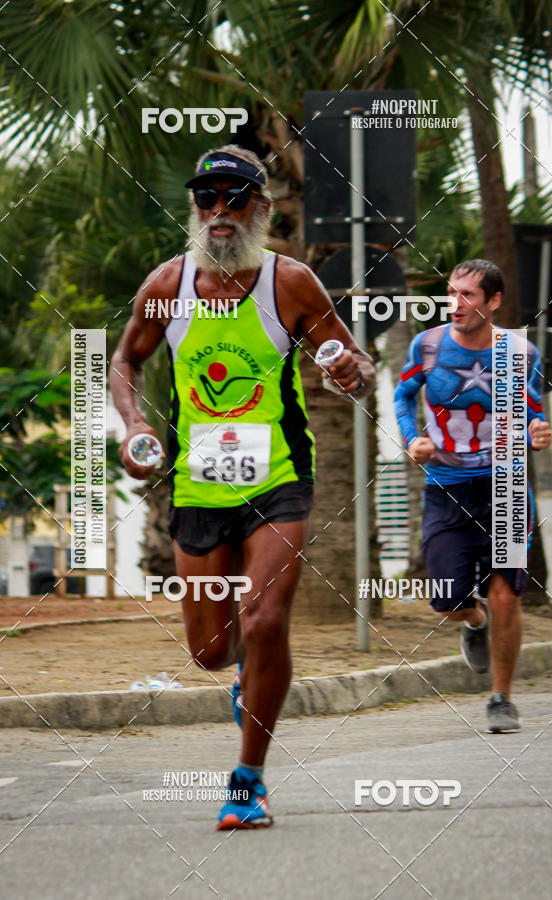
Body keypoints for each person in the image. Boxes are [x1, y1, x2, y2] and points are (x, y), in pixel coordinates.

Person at [109, 144, 374, 829]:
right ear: (195, 208)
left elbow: (345, 355)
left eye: (235, 198)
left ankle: (248, 781)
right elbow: (124, 361)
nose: (219, 211)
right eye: (207, 199)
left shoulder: (290, 284)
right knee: (210, 649)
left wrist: (353, 373)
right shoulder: (167, 285)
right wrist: (135, 423)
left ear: (261, 207)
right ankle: (240, 678)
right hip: (199, 483)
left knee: (263, 619)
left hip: (280, 475)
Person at [394, 259, 552, 733]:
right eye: (451, 293)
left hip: (505, 483)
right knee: (447, 598)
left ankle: (501, 699)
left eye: (468, 295)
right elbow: (403, 396)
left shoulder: (521, 352)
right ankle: (473, 621)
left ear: (493, 301)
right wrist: (411, 439)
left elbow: (533, 410)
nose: (455, 304)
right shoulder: (429, 346)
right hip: (446, 486)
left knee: (505, 593)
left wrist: (538, 432)